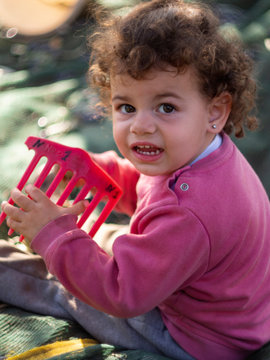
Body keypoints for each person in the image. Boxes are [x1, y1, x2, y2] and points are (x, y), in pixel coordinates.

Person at [1, 0, 270, 359]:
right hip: (234, 313)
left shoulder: (187, 210)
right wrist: (108, 172)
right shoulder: (205, 152)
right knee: (100, 236)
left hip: (194, 337)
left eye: (166, 107)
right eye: (126, 107)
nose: (141, 125)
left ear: (215, 112)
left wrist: (52, 236)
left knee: (56, 283)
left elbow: (120, 294)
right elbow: (150, 187)